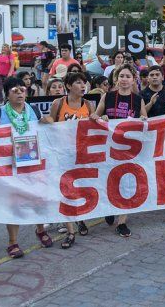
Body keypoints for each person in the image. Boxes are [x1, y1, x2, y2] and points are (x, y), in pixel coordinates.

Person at [0, 77, 53, 258]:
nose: (19, 93)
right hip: (10, 166)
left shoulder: (34, 110)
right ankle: (13, 242)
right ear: (7, 94)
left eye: (22, 90)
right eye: (14, 90)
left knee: (38, 198)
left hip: (33, 163)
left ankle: (40, 229)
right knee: (13, 203)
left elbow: (45, 130)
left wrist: (48, 121)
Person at [92, 64, 147, 234]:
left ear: (133, 80)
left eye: (128, 76)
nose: (124, 79)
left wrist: (143, 119)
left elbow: (145, 120)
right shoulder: (107, 96)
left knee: (127, 183)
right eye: (121, 76)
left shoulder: (138, 99)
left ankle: (122, 222)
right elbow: (94, 116)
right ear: (116, 78)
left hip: (129, 149)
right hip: (109, 147)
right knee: (109, 180)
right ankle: (109, 208)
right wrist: (100, 117)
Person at [45, 72, 95, 247]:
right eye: (78, 83)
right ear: (68, 86)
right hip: (62, 155)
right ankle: (70, 232)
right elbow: (51, 121)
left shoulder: (88, 104)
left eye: (84, 83)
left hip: (82, 155)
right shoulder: (58, 103)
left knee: (80, 190)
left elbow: (95, 125)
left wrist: (100, 118)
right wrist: (46, 120)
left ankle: (79, 218)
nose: (83, 86)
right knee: (65, 191)